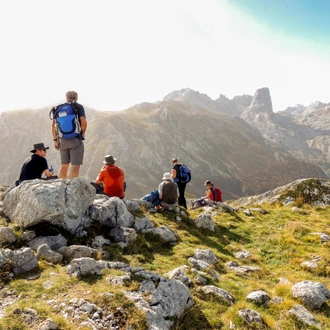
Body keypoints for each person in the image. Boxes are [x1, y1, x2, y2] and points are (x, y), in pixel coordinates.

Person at [51, 91, 87, 179]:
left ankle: (60, 185)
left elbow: (53, 125)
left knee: (64, 165)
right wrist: (82, 134)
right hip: (75, 139)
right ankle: (71, 187)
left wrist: (55, 140)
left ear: (66, 97)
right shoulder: (78, 107)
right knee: (75, 165)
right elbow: (84, 123)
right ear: (76, 98)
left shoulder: (59, 108)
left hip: (63, 139)